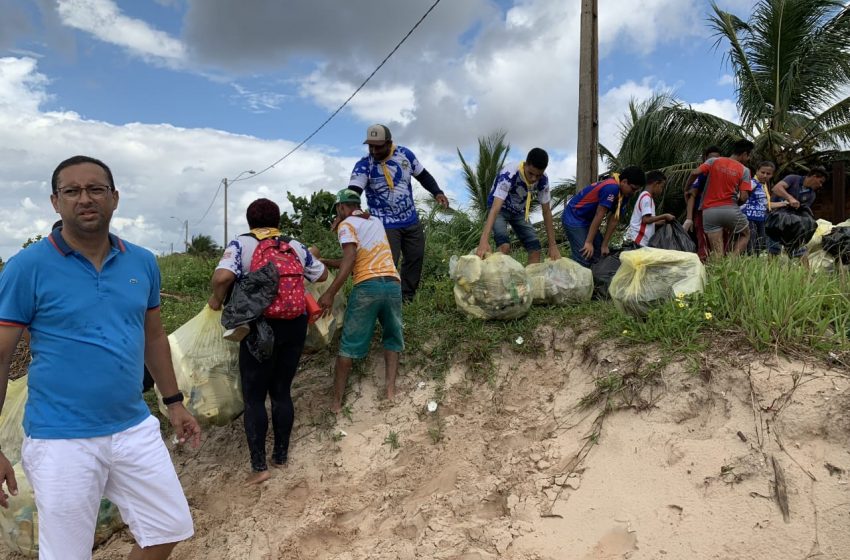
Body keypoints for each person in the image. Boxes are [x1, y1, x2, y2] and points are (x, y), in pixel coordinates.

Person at [0, 155, 200, 560]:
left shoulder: (141, 261)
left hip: (132, 427)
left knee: (169, 527)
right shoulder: (27, 267)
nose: (85, 198)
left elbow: (154, 336)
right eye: (72, 191)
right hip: (60, 438)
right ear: (56, 202)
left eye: (96, 189)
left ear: (115, 198)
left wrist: (174, 402)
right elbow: (1, 356)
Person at [208, 198, 327, 485]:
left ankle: (259, 468)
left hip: (259, 326)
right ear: (278, 221)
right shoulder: (294, 245)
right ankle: (281, 456)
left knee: (254, 397)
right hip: (294, 323)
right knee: (282, 392)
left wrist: (215, 300)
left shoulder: (241, 244)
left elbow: (224, 276)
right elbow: (321, 274)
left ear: (250, 221)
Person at [318, 189, 403, 414]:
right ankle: (390, 392)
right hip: (393, 285)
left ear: (341, 208)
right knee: (393, 338)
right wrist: (326, 260)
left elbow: (350, 259)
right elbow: (354, 258)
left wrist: (330, 293)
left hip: (368, 287)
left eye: (338, 210)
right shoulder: (374, 220)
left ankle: (336, 404)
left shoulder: (347, 225)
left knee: (348, 346)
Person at [348, 124, 448, 302]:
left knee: (415, 257)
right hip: (384, 224)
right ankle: (385, 299)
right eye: (370, 146)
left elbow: (423, 175)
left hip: (410, 220)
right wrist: (351, 211)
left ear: (389, 142)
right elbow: (354, 191)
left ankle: (407, 297)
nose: (374, 150)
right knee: (387, 263)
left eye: (378, 146)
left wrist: (437, 192)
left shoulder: (405, 155)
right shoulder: (364, 165)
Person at [475, 148, 560, 262]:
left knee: (535, 248)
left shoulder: (543, 180)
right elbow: (495, 208)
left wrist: (553, 245)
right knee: (504, 247)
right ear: (525, 165)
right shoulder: (509, 173)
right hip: (500, 209)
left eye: (538, 175)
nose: (533, 179)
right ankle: (496, 279)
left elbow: (546, 211)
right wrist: (483, 240)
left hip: (519, 212)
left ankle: (529, 279)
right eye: (530, 173)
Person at [682, 139, 754, 257]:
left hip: (709, 212)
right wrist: (738, 203)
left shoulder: (713, 161)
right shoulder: (744, 170)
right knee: (745, 234)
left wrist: (686, 187)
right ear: (745, 154)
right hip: (730, 210)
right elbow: (744, 196)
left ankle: (717, 268)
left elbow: (695, 172)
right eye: (749, 156)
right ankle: (732, 260)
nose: (748, 159)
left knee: (716, 252)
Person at [562, 166, 646, 267]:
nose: (634, 192)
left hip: (589, 220)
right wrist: (588, 242)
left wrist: (604, 245)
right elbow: (599, 214)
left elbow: (614, 220)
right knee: (584, 255)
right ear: (624, 181)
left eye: (636, 190)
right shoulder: (611, 187)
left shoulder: (625, 194)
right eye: (633, 189)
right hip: (574, 217)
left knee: (599, 254)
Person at [767, 166, 829, 263]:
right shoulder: (793, 178)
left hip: (792, 223)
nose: (820, 185)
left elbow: (803, 212)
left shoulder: (812, 195)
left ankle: (807, 277)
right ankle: (770, 274)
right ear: (814, 176)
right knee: (774, 249)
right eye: (820, 181)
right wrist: (790, 198)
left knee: (800, 250)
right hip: (775, 218)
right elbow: (776, 188)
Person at [683, 146, 722, 261]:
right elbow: (691, 194)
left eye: (717, 159)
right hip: (702, 213)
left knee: (720, 244)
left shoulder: (724, 175)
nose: (713, 162)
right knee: (704, 243)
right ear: (705, 159)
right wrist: (689, 218)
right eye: (711, 159)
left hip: (720, 213)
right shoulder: (702, 175)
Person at [623, 170, 675, 247]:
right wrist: (665, 216)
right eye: (662, 187)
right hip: (638, 241)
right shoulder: (646, 197)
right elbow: (646, 220)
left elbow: (644, 222)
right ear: (656, 184)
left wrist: (661, 222)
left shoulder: (647, 197)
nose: (661, 190)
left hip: (640, 241)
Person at [740, 161, 776, 254]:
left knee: (759, 243)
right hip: (749, 218)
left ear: (772, 175)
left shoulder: (763, 186)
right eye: (762, 172)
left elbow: (765, 204)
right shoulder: (752, 183)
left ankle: (753, 263)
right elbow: (740, 196)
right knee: (750, 243)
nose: (765, 175)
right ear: (757, 171)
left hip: (760, 219)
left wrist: (785, 203)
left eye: (768, 174)